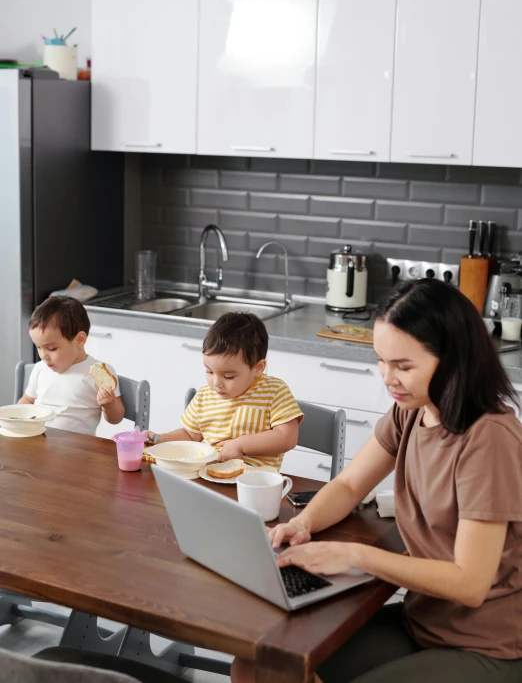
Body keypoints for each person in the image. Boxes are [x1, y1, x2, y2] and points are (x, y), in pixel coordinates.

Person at [232, 279, 522, 683]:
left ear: (453, 359)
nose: (388, 378)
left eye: (403, 366)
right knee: (258, 665)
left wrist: (354, 556)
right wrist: (303, 524)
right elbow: (350, 485)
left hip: (483, 644)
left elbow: (469, 583)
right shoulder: (412, 411)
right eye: (381, 361)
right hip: (422, 620)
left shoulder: (488, 438)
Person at [146, 312, 302, 468]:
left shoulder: (274, 391)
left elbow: (286, 437)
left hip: (253, 481)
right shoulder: (205, 395)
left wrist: (240, 445)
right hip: (204, 475)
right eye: (209, 371)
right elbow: (190, 435)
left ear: (258, 368)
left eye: (228, 376)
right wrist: (158, 439)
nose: (216, 383)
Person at [18, 296, 125, 434]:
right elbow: (27, 400)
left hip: (78, 450)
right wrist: (16, 417)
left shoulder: (99, 373)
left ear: (79, 340)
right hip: (39, 443)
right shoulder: (40, 369)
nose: (43, 356)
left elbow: (116, 418)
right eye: (38, 347)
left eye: (52, 349)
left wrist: (109, 405)